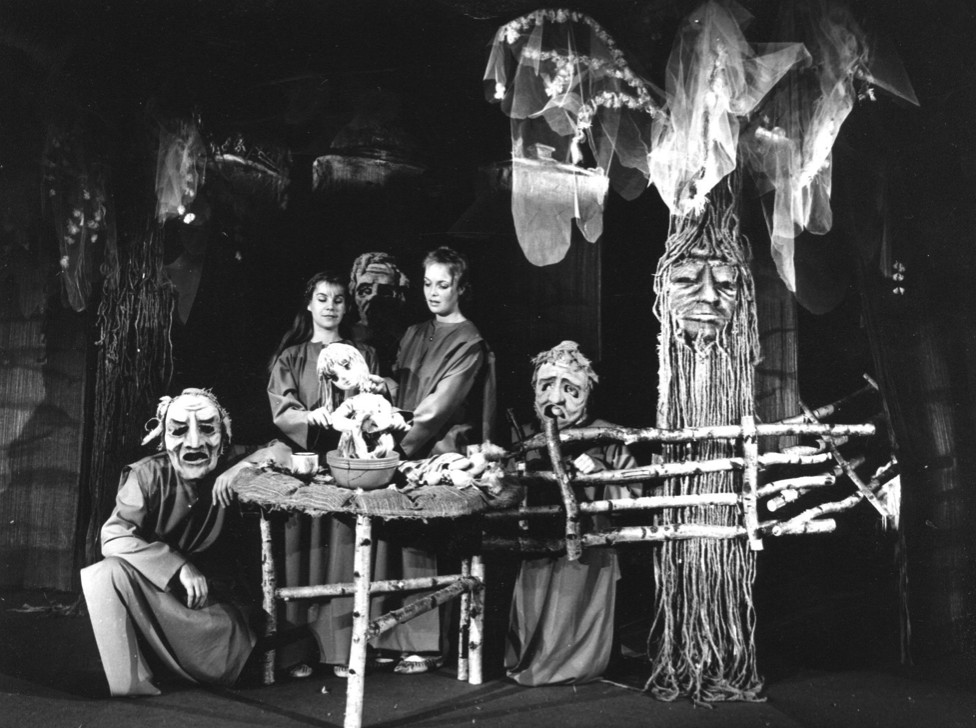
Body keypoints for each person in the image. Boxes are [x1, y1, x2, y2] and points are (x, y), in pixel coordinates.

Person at [80, 388, 280, 697]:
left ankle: (194, 667)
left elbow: (284, 451)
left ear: (224, 436)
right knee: (105, 572)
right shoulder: (146, 475)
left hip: (210, 606)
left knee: (225, 649)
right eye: (179, 430)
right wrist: (177, 566)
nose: (195, 442)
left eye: (208, 429)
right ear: (163, 437)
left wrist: (240, 468)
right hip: (162, 595)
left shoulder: (231, 460)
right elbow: (114, 535)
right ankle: (131, 682)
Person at [372, 245, 496, 675]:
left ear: (461, 287)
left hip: (439, 449)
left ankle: (424, 645)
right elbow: (404, 388)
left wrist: (394, 447)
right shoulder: (414, 332)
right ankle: (391, 638)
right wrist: (382, 388)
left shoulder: (469, 341)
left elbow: (439, 407)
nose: (433, 292)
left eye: (443, 284)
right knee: (390, 539)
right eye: (428, 283)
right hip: (402, 444)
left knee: (421, 545)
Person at [266, 271, 381, 678]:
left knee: (345, 555)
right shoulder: (292, 357)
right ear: (309, 304)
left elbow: (375, 402)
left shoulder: (364, 353)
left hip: (353, 464)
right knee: (303, 557)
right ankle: (298, 652)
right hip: (309, 467)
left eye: (338, 299)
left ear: (347, 306)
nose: (330, 306)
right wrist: (310, 418)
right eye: (322, 298)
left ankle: (341, 652)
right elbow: (283, 408)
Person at [505, 341, 641, 686]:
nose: (556, 399)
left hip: (589, 551)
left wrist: (600, 474)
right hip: (538, 545)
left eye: (571, 390)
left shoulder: (607, 436)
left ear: (587, 395)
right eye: (546, 386)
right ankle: (531, 659)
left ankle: (576, 663)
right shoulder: (527, 438)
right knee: (535, 607)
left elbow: (634, 495)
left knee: (575, 606)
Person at [348, 251, 409, 378]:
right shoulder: (343, 338)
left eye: (385, 291)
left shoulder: (409, 342)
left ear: (399, 298)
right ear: (353, 295)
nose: (373, 297)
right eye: (365, 291)